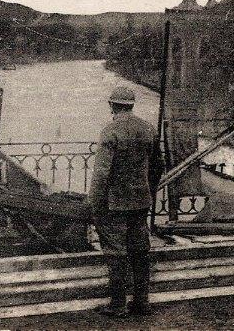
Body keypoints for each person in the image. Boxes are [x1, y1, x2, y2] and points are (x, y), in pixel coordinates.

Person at [89, 86, 162, 317]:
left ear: (112, 105)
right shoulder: (148, 129)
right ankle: (142, 302)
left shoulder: (110, 131)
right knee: (140, 252)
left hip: (114, 203)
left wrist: (95, 203)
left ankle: (118, 305)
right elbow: (157, 166)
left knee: (115, 252)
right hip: (141, 201)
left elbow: (101, 173)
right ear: (131, 105)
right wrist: (147, 189)